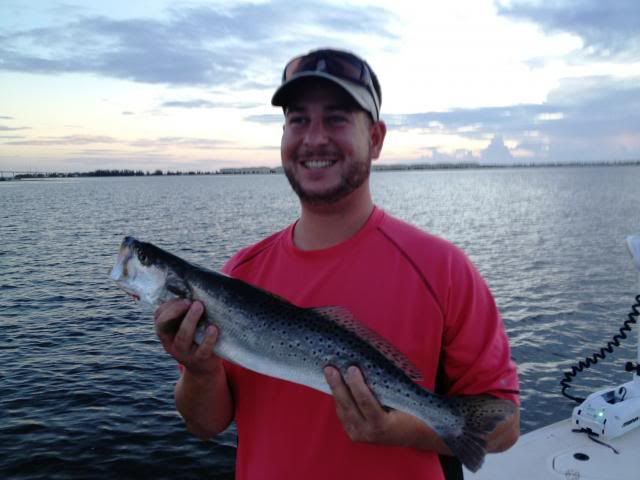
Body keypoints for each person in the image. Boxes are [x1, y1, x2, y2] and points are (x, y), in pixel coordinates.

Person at [154, 48, 520, 480]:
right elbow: (206, 424)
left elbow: (503, 426)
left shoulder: (443, 269)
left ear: (377, 139)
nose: (313, 138)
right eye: (298, 119)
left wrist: (398, 428)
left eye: (337, 117)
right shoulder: (238, 276)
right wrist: (199, 369)